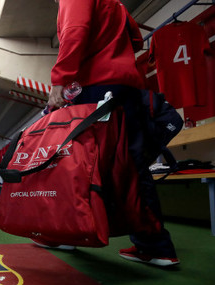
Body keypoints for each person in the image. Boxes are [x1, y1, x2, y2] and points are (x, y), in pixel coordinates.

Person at [47, 0, 179, 266]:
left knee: (79, 164)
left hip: (95, 86)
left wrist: (60, 79)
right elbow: (136, 40)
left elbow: (75, 29)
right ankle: (154, 246)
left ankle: (68, 234)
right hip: (124, 86)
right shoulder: (114, 2)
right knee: (129, 166)